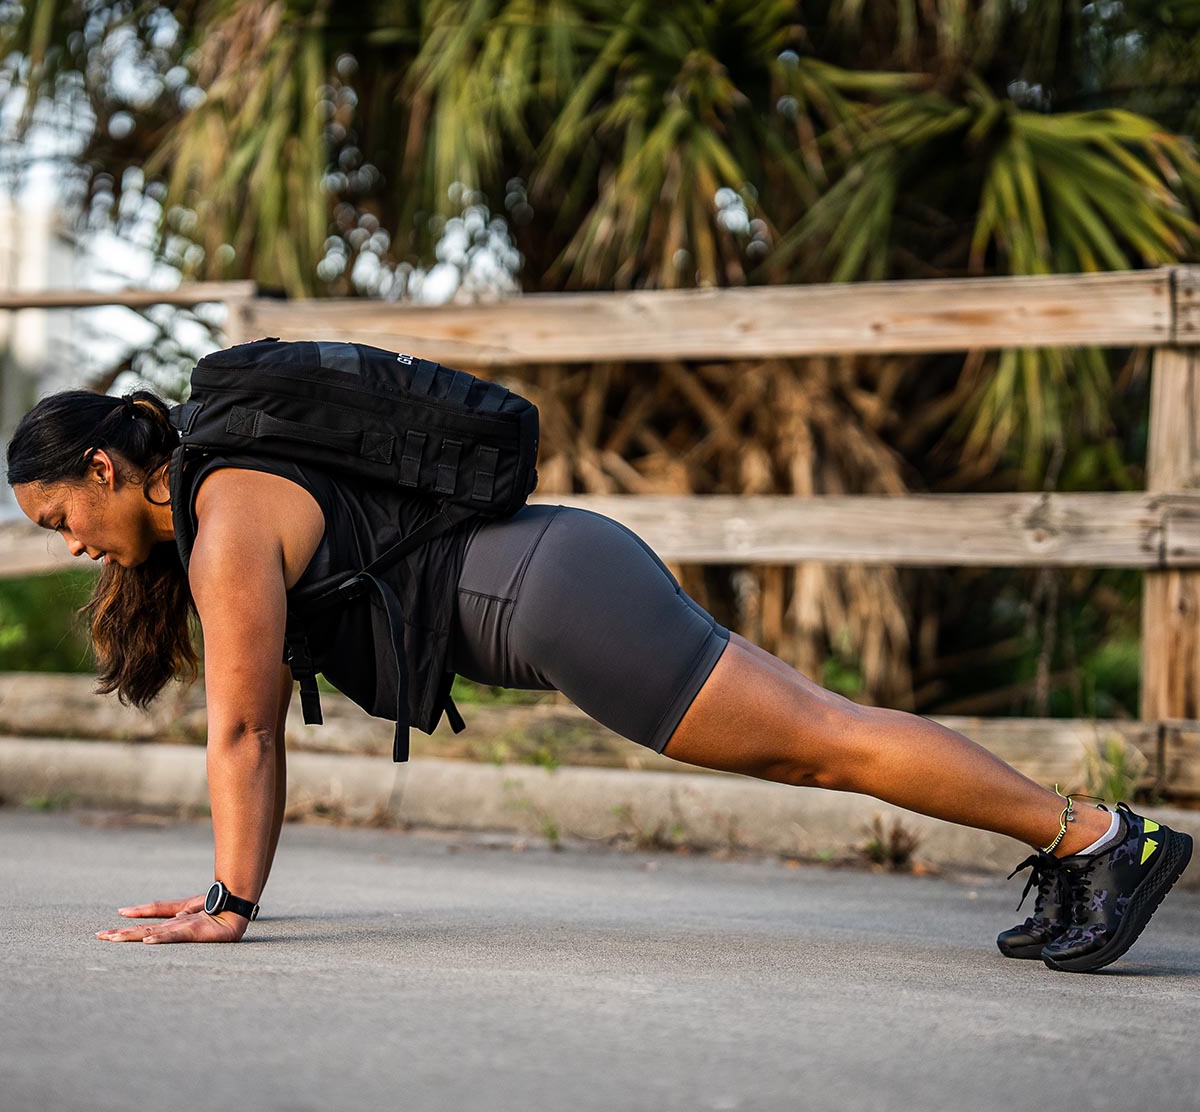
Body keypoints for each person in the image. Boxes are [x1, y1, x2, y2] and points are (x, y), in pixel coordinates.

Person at [5, 386, 1192, 972]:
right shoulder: (228, 482)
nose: (70, 544)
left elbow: (247, 737)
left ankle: (1101, 840)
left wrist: (228, 903)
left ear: (109, 467)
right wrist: (230, 893)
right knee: (822, 731)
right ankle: (1085, 845)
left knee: (821, 742)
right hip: (567, 570)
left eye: (63, 516)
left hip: (562, 603)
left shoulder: (223, 523)